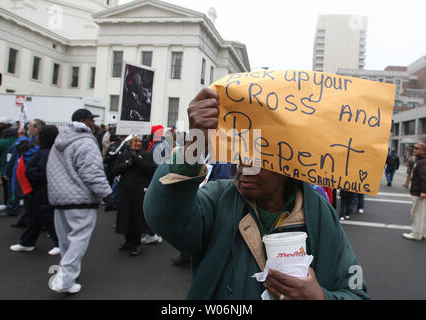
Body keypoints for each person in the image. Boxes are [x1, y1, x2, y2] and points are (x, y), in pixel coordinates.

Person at [144, 88, 369, 300]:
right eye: (242, 154)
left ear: (287, 163)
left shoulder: (322, 218)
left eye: (258, 158)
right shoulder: (218, 200)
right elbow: (164, 218)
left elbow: (357, 292)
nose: (244, 167)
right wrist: (193, 145)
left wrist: (320, 296)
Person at [46, 108, 112, 293]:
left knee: (66, 240)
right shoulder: (85, 141)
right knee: (78, 240)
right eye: (91, 120)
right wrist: (106, 194)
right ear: (84, 121)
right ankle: (65, 279)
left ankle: (68, 274)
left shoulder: (60, 140)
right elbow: (92, 172)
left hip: (60, 198)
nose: (94, 123)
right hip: (80, 198)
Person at [10, 125, 60, 255]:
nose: (36, 137)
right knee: (34, 217)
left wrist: (30, 173)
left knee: (47, 217)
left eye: (38, 135)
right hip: (37, 190)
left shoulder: (46, 153)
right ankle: (27, 242)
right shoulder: (44, 151)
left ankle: (59, 243)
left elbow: (42, 172)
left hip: (42, 189)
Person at [113, 135, 155, 256]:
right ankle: (127, 241)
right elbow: (115, 170)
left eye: (139, 141)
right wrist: (127, 163)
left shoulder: (146, 154)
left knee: (136, 217)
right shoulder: (122, 155)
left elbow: (149, 170)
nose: (138, 143)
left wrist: (137, 159)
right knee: (125, 215)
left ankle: (136, 244)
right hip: (125, 189)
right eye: (135, 141)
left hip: (139, 190)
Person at [403, 142, 426, 241]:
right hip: (418, 191)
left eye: (417, 149)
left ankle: (416, 234)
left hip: (418, 192)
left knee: (416, 213)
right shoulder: (420, 160)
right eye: (414, 148)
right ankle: (422, 232)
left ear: (423, 150)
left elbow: (424, 177)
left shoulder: (422, 162)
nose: (414, 150)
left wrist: (423, 191)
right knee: (421, 214)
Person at [0, 127, 16, 212]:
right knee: (14, 185)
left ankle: (7, 203)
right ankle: (16, 201)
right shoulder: (17, 141)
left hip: (5, 164)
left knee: (6, 185)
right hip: (16, 165)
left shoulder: (2, 141)